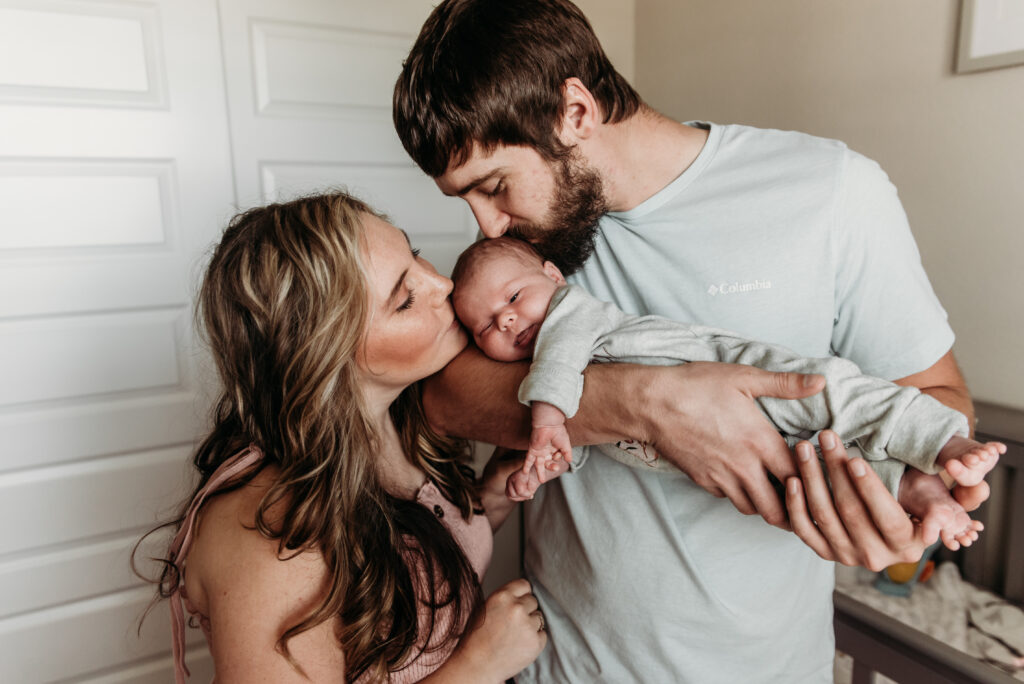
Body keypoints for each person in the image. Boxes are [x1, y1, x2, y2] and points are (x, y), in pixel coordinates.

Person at [392, 0, 994, 681]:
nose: (487, 227)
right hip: (564, 665)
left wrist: (904, 497)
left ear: (577, 113)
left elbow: (938, 396)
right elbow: (444, 396)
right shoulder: (523, 265)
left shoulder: (833, 193)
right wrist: (645, 402)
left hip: (763, 665)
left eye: (493, 187)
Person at [135, 192, 554, 683]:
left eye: (414, 253)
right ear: (326, 359)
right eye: (403, 300)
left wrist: (493, 493)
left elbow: (408, 564)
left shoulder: (394, 425)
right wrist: (477, 666)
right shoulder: (271, 540)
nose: (442, 283)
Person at [449, 236, 1004, 551]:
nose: (507, 320)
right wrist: (543, 465)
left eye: (516, 296)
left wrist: (545, 428)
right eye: (484, 327)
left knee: (838, 396)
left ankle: (942, 439)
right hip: (723, 450)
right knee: (817, 478)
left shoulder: (569, 319)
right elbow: (586, 442)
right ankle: (916, 492)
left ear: (554, 276)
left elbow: (559, 375)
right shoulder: (542, 370)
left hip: (741, 370)